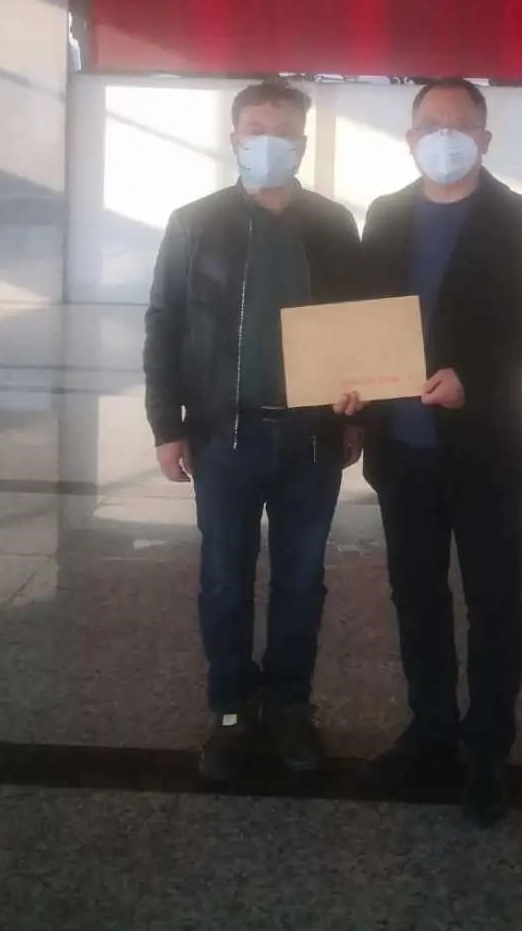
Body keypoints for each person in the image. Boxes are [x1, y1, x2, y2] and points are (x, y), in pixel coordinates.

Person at [343, 77, 522, 827]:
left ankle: (487, 748)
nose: (446, 137)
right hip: (402, 450)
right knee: (416, 596)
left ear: (484, 138)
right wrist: (348, 383)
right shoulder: (387, 215)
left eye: (461, 124)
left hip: (487, 451)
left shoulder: (521, 217)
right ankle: (431, 732)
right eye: (431, 125)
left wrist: (475, 374)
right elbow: (362, 318)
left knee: (495, 602)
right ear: (410, 140)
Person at [145, 79, 363, 783]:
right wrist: (166, 424)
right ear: (234, 137)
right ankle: (233, 710)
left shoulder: (332, 224)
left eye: (284, 131)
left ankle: (290, 706)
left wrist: (357, 416)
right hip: (223, 437)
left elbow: (356, 322)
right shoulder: (194, 223)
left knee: (302, 581)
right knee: (224, 579)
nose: (270, 142)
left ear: (302, 142)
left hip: (312, 440)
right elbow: (164, 323)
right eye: (257, 129)